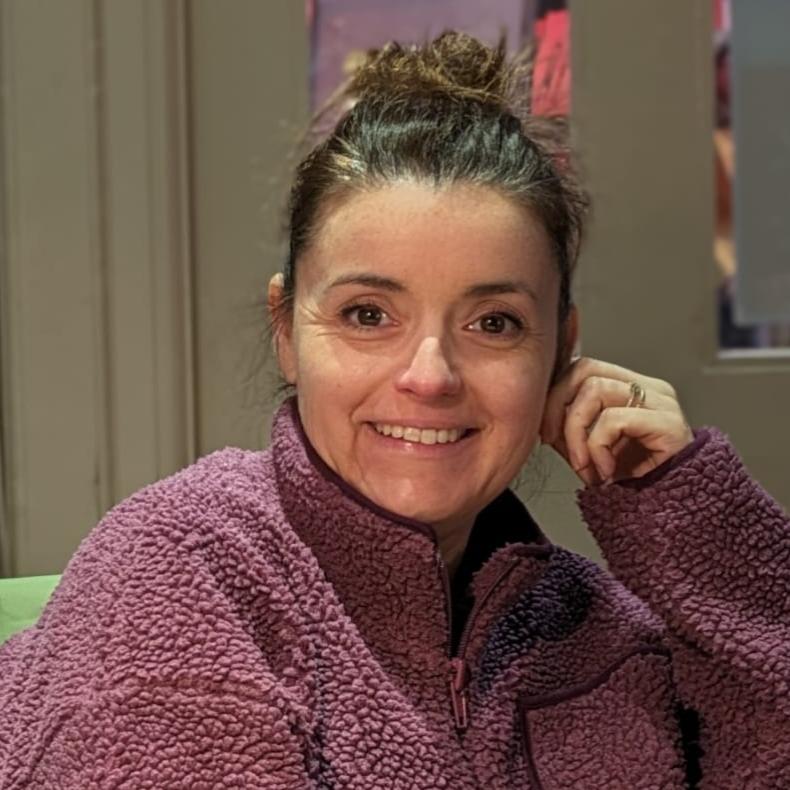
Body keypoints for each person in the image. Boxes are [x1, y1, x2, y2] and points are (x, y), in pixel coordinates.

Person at [1, 32, 788, 790]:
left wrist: (696, 529)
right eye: (368, 315)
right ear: (286, 331)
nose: (430, 376)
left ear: (560, 349)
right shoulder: (182, 568)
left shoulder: (596, 633)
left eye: (495, 323)